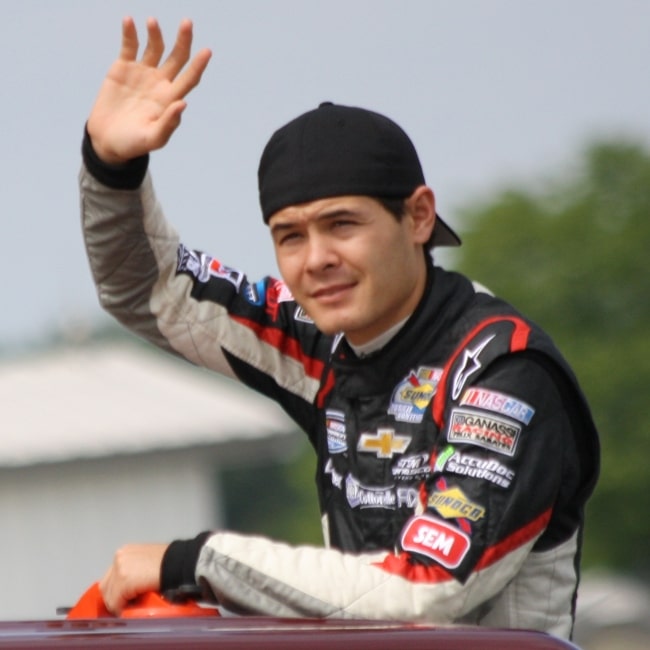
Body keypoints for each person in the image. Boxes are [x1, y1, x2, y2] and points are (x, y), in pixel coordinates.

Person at [80, 16, 599, 639]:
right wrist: (111, 167)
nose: (317, 258)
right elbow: (149, 290)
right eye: (290, 236)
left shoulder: (504, 370)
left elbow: (426, 590)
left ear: (418, 217)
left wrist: (195, 561)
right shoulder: (318, 343)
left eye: (343, 224)